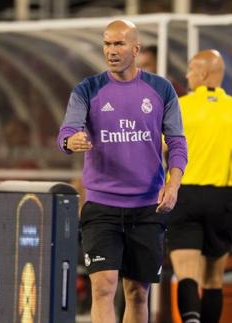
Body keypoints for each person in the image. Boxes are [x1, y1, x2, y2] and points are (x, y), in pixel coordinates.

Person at [57, 19, 188, 323]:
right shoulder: (87, 89)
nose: (111, 51)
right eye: (107, 44)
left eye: (119, 44)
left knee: (137, 293)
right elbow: (66, 131)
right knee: (103, 287)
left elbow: (177, 141)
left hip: (147, 207)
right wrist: (69, 140)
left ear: (136, 48)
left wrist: (174, 183)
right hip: (101, 206)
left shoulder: (160, 89)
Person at [167, 49, 232, 323]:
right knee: (214, 279)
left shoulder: (181, 108)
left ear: (204, 73)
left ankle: (191, 319)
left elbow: (160, 148)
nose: (187, 74)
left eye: (192, 69)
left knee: (186, 273)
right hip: (224, 197)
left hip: (186, 195)